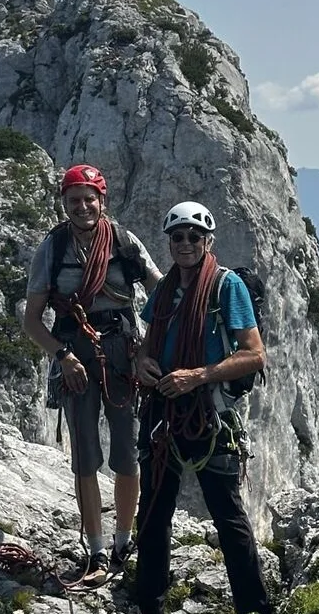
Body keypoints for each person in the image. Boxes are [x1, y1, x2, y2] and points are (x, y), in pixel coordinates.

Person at [22, 164, 162, 585]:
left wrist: (146, 351)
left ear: (102, 201)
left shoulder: (122, 241)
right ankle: (98, 551)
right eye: (74, 200)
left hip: (122, 348)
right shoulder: (53, 248)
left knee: (126, 449)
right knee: (84, 455)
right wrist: (63, 356)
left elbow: (161, 291)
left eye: (89, 199)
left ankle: (123, 540)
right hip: (75, 352)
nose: (82, 207)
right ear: (64, 204)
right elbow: (31, 322)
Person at [133, 201, 271, 614]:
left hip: (209, 413)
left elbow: (255, 355)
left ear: (208, 241)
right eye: (178, 237)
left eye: (194, 236)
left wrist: (197, 376)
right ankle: (149, 604)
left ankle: (255, 607)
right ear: (170, 243)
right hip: (163, 411)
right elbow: (146, 343)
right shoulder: (162, 290)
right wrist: (141, 363)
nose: (186, 244)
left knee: (228, 519)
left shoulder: (227, 287)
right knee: (153, 515)